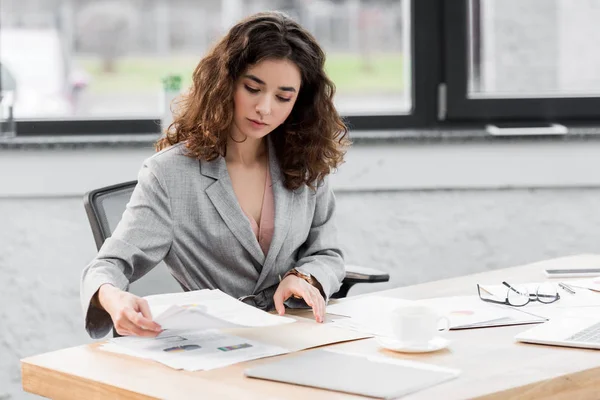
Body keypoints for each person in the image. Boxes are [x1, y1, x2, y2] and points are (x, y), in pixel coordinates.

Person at [80, 11, 350, 339]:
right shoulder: (170, 174)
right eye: (253, 88)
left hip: (295, 333)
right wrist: (112, 297)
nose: (265, 107)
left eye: (283, 97)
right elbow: (108, 265)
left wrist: (304, 277)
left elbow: (327, 252)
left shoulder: (304, 163)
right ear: (226, 83)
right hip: (214, 345)